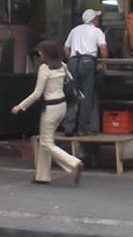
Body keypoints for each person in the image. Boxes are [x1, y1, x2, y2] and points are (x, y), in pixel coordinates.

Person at [11, 41, 84, 185]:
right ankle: (42, 176)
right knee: (46, 139)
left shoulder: (44, 69)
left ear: (45, 53)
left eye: (40, 52)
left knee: (46, 142)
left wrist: (20, 106)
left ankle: (74, 163)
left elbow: (37, 93)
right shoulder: (62, 65)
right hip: (62, 106)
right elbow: (71, 81)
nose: (38, 54)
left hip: (50, 108)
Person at [63, 8, 108, 135]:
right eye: (97, 18)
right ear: (93, 19)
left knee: (72, 95)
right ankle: (82, 129)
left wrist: (71, 61)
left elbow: (65, 48)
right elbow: (103, 48)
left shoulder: (74, 30)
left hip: (73, 62)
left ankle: (68, 128)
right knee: (86, 96)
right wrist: (103, 63)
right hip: (88, 62)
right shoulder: (97, 31)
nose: (98, 20)